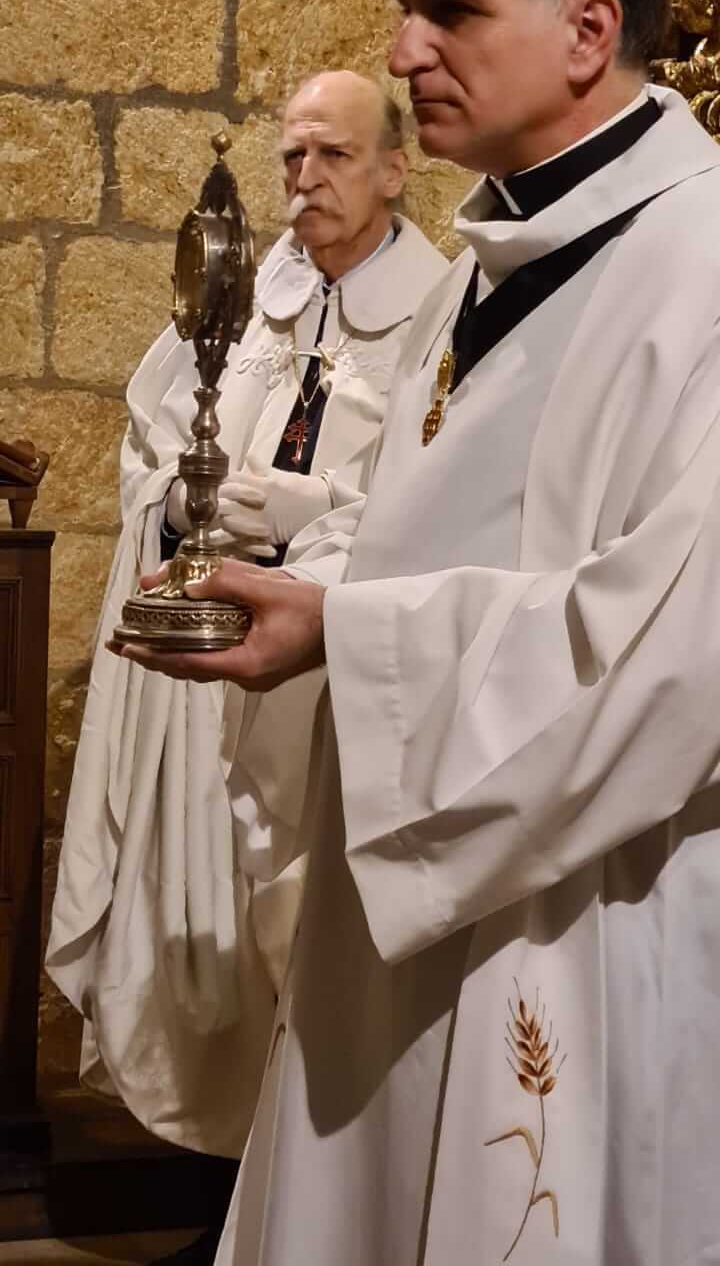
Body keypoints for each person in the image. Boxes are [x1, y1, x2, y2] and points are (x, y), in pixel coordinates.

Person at [111, 0, 720, 1266]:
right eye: (405, 7)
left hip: (582, 924)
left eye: (449, 10)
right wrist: (306, 587)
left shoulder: (698, 270)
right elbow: (411, 517)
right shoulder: (495, 263)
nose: (403, 50)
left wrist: (347, 631)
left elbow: (677, 647)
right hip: (403, 899)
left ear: (589, 31)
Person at [46, 68, 447, 1190]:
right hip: (204, 683)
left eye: (334, 155)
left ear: (394, 170)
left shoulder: (435, 312)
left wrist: (303, 512)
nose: (305, 178)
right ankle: (222, 1202)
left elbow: (441, 499)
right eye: (291, 155)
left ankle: (299, 1207)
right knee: (209, 940)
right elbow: (151, 442)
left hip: (325, 685)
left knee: (301, 943)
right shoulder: (245, 298)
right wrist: (176, 508)